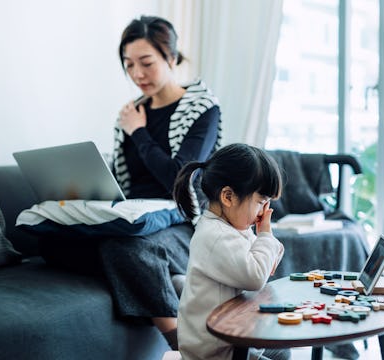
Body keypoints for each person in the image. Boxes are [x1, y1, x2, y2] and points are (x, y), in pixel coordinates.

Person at [104, 15, 221, 350]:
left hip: (182, 219)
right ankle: (166, 279)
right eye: (129, 65)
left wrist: (138, 132)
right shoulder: (129, 113)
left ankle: (186, 347)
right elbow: (122, 181)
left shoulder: (200, 107)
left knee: (125, 248)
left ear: (171, 58)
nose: (137, 74)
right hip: (136, 217)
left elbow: (179, 178)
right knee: (60, 244)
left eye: (146, 63)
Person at [173, 143, 290, 360]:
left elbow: (268, 266)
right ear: (228, 197)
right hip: (217, 352)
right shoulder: (215, 236)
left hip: (236, 338)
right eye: (261, 202)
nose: (263, 213)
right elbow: (256, 277)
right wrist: (265, 236)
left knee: (284, 351)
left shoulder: (233, 229)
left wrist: (265, 240)